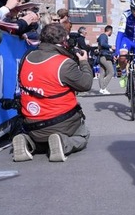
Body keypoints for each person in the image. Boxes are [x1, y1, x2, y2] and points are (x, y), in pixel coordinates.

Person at [14, 23, 92, 162]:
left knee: (42, 137)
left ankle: (27, 141)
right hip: (61, 122)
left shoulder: (26, 58)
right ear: (63, 41)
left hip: (31, 124)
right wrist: (84, 63)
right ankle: (63, 143)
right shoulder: (64, 63)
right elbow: (86, 84)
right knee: (83, 134)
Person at [97, 25, 115, 94]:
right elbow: (102, 43)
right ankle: (103, 87)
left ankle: (102, 89)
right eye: (111, 32)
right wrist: (111, 46)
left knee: (102, 73)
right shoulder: (104, 36)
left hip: (102, 56)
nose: (111, 33)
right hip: (105, 57)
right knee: (111, 72)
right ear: (109, 30)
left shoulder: (101, 36)